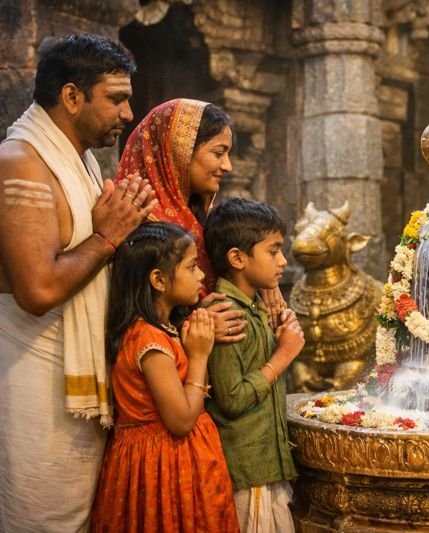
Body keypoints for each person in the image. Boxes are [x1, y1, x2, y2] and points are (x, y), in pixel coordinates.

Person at [0, 34, 156, 531]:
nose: (128, 113)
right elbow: (38, 290)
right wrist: (110, 234)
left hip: (73, 392)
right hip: (33, 390)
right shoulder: (21, 163)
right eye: (116, 98)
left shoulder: (80, 161)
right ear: (71, 97)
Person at [91, 222, 238, 532]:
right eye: (192, 266)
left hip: (176, 459)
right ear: (158, 279)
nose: (201, 276)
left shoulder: (162, 331)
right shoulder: (148, 340)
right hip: (162, 464)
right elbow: (181, 420)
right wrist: (198, 356)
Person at [115, 98, 285, 340]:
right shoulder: (138, 222)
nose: (227, 166)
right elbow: (137, 317)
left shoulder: (200, 215)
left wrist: (266, 281)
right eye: (218, 153)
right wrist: (194, 325)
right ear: (178, 151)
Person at [203, 197, 304, 533]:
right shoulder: (225, 315)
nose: (282, 260)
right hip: (247, 470)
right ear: (237, 258)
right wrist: (283, 355)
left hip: (266, 465)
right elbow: (231, 398)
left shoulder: (255, 307)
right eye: (273, 251)